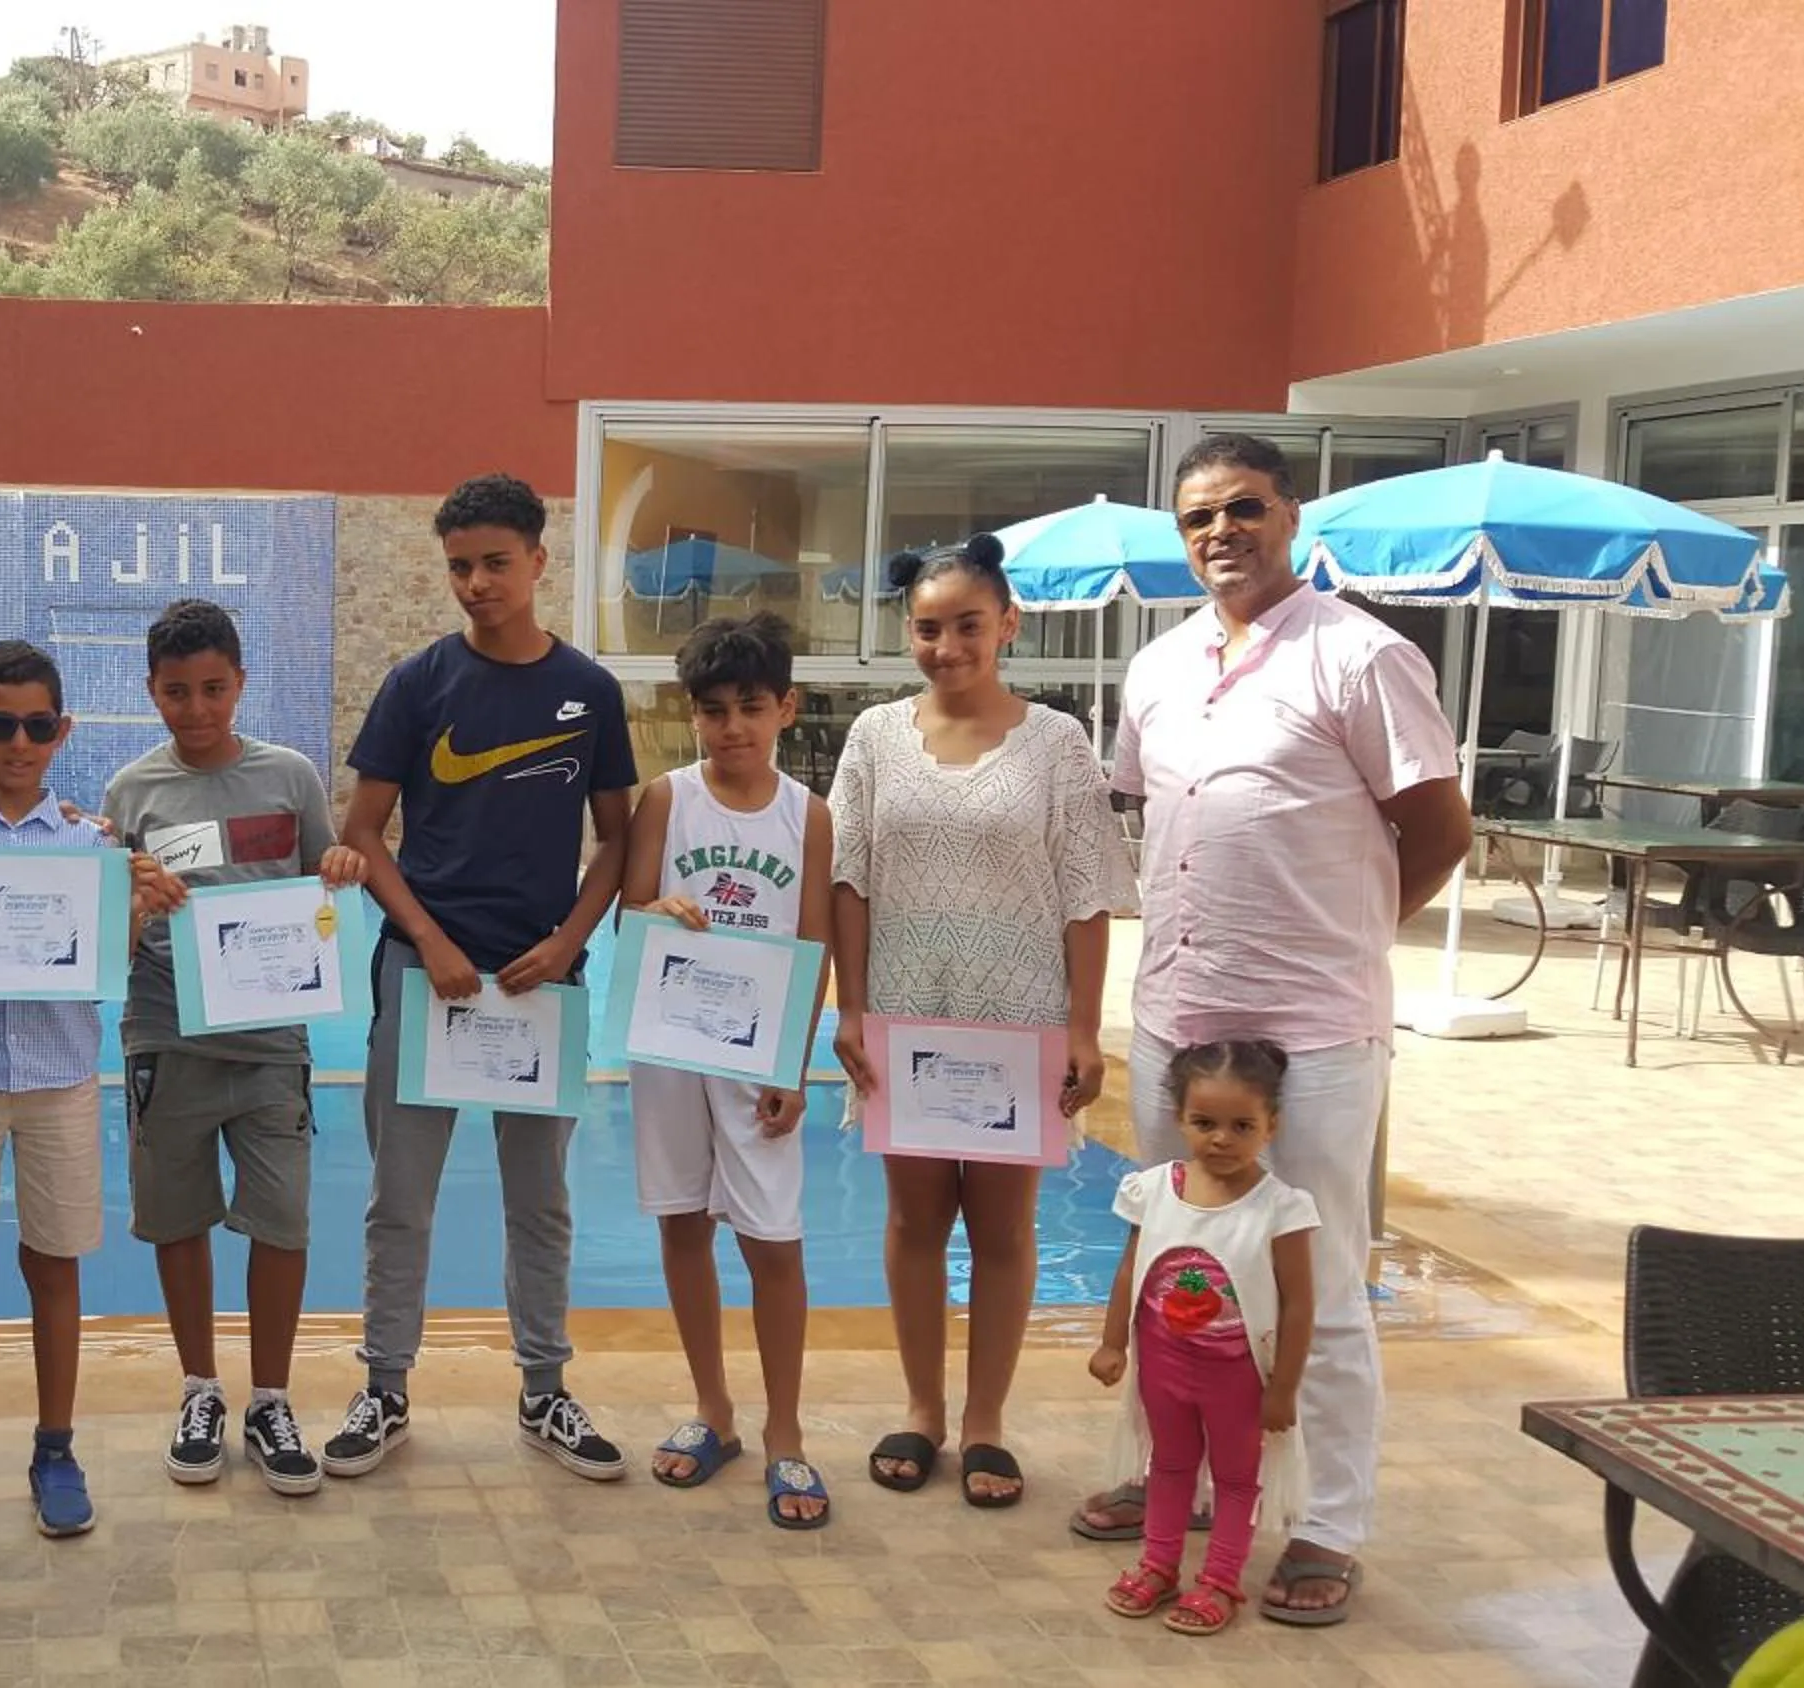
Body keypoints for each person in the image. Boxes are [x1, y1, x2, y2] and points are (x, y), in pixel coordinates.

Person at [1075, 433, 1470, 1626]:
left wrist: (1354, 937)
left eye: (1244, 507)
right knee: (1177, 1267)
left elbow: (1440, 830)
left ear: (1293, 514)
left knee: (1319, 1280)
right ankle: (1177, 1478)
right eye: (1199, 515)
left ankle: (1328, 1523)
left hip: (1314, 1031)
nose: (1221, 531)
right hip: (1178, 1019)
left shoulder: (1362, 656)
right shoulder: (1157, 667)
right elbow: (1154, 811)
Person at [326, 472, 637, 1484]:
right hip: (427, 980)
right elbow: (363, 831)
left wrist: (570, 940)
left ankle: (545, 1387)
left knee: (539, 1201)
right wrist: (430, 939)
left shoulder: (588, 692)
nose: (477, 583)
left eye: (496, 563)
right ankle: (384, 1386)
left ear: (539, 561)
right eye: (460, 566)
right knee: (400, 1201)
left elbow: (618, 841)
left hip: (542, 985)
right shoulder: (419, 683)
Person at [828, 532, 1128, 1511]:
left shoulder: (1057, 742)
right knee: (914, 1220)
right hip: (908, 1019)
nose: (947, 645)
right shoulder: (875, 738)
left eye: (967, 625)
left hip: (1017, 1020)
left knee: (1003, 1228)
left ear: (1008, 625)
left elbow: (1086, 890)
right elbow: (847, 880)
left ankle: (986, 1420)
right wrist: (851, 1007)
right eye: (927, 628)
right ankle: (922, 1408)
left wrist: (1084, 1027)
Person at [0, 640, 186, 1545]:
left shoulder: (91, 845)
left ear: (63, 732)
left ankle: (56, 1449)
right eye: (2, 725)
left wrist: (136, 909)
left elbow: (103, 976)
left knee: (55, 1266)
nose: (20, 743)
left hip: (59, 1082)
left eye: (38, 726)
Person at [102, 598, 369, 1497]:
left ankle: (271, 1399)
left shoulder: (289, 778)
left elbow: (324, 889)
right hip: (165, 1036)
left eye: (214, 689)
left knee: (281, 1222)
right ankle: (200, 1389)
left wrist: (341, 870)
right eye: (177, 692)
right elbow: (106, 937)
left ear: (241, 683)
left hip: (270, 1046)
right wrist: (132, 901)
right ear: (152, 691)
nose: (197, 708)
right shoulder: (130, 793)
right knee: (178, 1221)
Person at [618, 612, 835, 1528]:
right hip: (671, 1042)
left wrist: (795, 1065)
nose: (733, 726)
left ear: (787, 707)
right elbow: (629, 909)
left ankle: (786, 1430)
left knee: (772, 1239)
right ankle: (715, 1409)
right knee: (681, 1223)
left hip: (757, 1053)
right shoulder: (666, 801)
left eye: (751, 706)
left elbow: (814, 943)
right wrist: (658, 907)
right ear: (693, 715)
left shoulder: (807, 815)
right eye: (714, 710)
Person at [1090, 1039, 1317, 1638]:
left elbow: (1298, 1305)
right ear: (1180, 1120)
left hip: (1237, 1377)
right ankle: (1159, 1564)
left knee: (1237, 1477)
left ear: (1271, 1126)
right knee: (1168, 1464)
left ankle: (1220, 1580)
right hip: (1164, 1364)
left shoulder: (1281, 1209)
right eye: (1205, 1123)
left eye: (1242, 1126)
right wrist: (1113, 1343)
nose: (1221, 1139)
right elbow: (1131, 1268)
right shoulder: (1154, 1190)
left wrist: (1283, 1389)